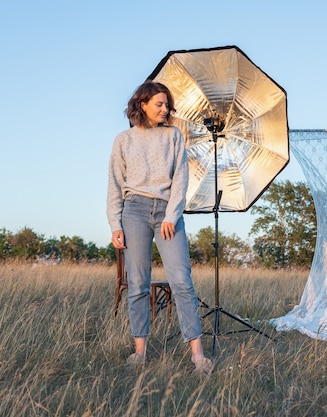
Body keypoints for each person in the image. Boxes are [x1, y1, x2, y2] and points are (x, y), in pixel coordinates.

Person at [106, 80, 213, 375]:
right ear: (142, 104)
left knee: (182, 281)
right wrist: (115, 223)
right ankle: (140, 352)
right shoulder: (123, 140)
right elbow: (115, 184)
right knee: (138, 284)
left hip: (168, 214)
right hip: (134, 211)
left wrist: (170, 214)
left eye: (167, 105)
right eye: (159, 104)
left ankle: (198, 356)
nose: (165, 109)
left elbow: (181, 177)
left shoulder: (174, 136)